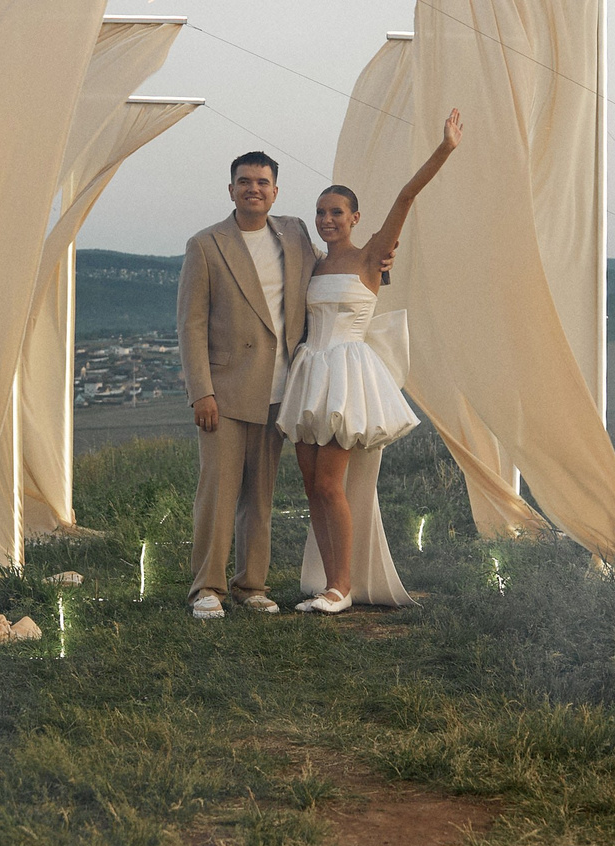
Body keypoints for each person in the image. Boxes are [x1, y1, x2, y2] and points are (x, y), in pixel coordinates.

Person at [277, 109, 463, 613]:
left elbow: (406, 197)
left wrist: (444, 148)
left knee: (330, 483)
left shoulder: (371, 256)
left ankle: (344, 585)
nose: (327, 220)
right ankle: (328, 581)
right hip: (310, 370)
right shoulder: (313, 263)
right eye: (321, 213)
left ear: (355, 219)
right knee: (311, 486)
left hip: (345, 375)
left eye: (337, 212)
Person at [177, 151, 315, 617]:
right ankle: (206, 589)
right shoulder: (206, 245)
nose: (253, 188)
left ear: (275, 191)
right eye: (244, 181)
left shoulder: (295, 233)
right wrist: (202, 391)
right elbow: (191, 324)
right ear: (230, 189)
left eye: (262, 181)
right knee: (217, 493)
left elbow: (328, 274)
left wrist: (378, 262)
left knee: (261, 494)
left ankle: (251, 584)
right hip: (226, 390)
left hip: (281, 390)